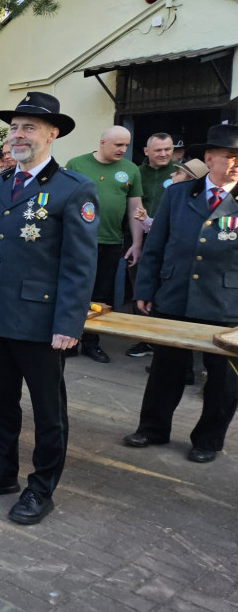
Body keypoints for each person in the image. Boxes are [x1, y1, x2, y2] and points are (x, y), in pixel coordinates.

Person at [0, 92, 98, 525]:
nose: (18, 135)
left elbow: (80, 265)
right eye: (14, 127)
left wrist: (69, 324)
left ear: (52, 134)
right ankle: (3, 472)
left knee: (47, 411)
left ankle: (41, 488)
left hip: (41, 323)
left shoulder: (74, 189)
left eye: (30, 127)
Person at [123, 124, 238, 464]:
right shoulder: (179, 194)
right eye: (230, 157)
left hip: (227, 304)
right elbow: (156, 246)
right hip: (175, 295)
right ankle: (153, 428)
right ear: (209, 157)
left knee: (224, 379)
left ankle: (208, 439)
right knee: (166, 367)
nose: (236, 164)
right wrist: (144, 288)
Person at [65, 126, 143, 363]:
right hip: (77, 241)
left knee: (101, 295)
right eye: (118, 144)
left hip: (110, 242)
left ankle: (91, 342)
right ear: (102, 142)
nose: (123, 149)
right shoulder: (77, 164)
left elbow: (135, 208)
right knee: (74, 291)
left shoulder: (130, 170)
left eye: (126, 145)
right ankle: (69, 339)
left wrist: (137, 242)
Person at [126, 133, 176, 357]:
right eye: (158, 150)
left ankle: (166, 341)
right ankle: (143, 339)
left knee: (167, 289)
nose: (164, 154)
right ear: (147, 152)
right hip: (141, 238)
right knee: (141, 286)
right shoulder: (136, 173)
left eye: (168, 149)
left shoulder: (182, 173)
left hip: (173, 241)